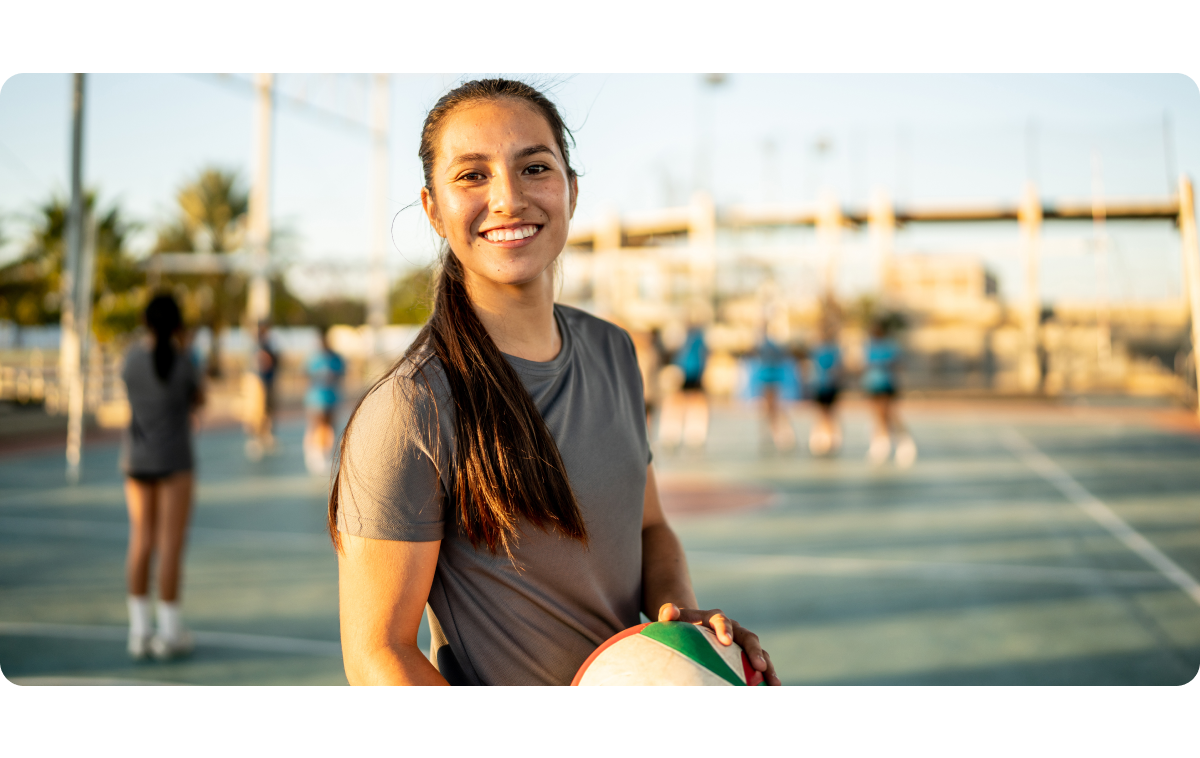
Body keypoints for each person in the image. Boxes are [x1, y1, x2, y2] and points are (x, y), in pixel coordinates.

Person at [331, 79, 779, 686]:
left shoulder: (613, 350)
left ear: (570, 188)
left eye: (534, 167)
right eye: (471, 175)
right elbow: (377, 653)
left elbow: (650, 527)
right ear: (433, 207)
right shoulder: (412, 408)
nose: (509, 199)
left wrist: (683, 627)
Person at [120, 294, 203, 660]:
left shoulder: (130, 361)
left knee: (141, 541)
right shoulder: (183, 363)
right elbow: (199, 400)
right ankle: (169, 633)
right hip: (175, 461)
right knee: (170, 545)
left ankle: (139, 633)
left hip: (137, 460)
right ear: (177, 324)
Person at [863, 316, 916, 468]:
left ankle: (904, 442)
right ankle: (881, 443)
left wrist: (886, 366)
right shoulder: (870, 345)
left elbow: (898, 363)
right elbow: (866, 364)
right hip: (872, 385)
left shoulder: (890, 345)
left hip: (886, 384)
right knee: (878, 414)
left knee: (890, 413)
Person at [658, 324, 709, 451]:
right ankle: (673, 433)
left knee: (693, 402)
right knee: (677, 402)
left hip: (693, 373)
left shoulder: (698, 335)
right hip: (682, 372)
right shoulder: (682, 333)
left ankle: (693, 434)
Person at [303, 327, 345, 475]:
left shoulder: (336, 358)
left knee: (329, 426)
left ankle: (326, 454)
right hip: (316, 398)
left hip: (331, 397)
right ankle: (314, 453)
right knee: (316, 425)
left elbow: (340, 375)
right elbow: (306, 376)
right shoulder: (314, 358)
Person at [753, 332, 795, 452]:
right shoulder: (763, 344)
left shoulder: (773, 344)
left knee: (773, 407)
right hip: (767, 377)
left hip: (772, 377)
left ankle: (781, 432)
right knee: (769, 408)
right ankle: (772, 432)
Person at [808, 322, 843, 456]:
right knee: (822, 412)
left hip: (828, 385)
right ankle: (822, 437)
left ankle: (830, 438)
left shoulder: (832, 350)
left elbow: (838, 368)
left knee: (828, 413)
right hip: (821, 385)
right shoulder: (819, 349)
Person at [245, 321, 278, 461]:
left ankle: (266, 435)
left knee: (268, 410)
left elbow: (274, 362)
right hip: (258, 382)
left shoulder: (269, 345)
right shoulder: (256, 346)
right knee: (256, 411)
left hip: (268, 381)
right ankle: (255, 438)